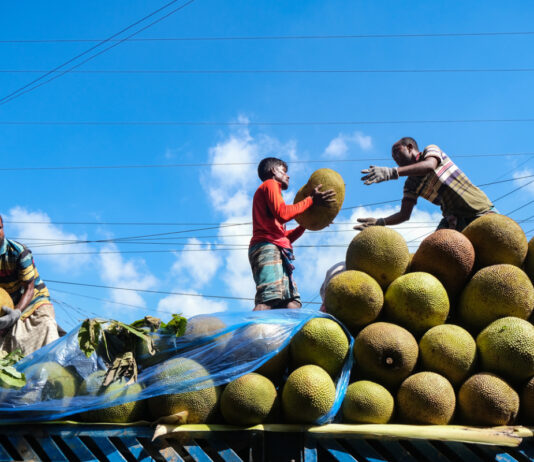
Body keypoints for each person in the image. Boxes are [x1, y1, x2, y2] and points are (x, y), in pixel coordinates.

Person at [354, 137, 495, 232]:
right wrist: (381, 222)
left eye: (397, 152)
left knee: (500, 238)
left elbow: (429, 166)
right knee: (435, 252)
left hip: (477, 208)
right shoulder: (411, 184)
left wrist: (392, 172)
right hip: (454, 221)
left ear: (409, 147)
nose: (395, 158)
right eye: (392, 157)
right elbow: (404, 214)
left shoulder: (431, 150)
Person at [249, 157, 336, 311]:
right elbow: (283, 213)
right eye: (284, 171)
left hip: (276, 248)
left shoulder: (273, 193)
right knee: (269, 299)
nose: (288, 176)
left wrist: (307, 223)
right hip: (266, 247)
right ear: (273, 171)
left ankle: (292, 335)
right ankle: (248, 335)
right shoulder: (270, 184)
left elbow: (285, 238)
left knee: (292, 303)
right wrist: (310, 200)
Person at [0, 215, 59, 356]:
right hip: (8, 304)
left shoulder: (19, 252)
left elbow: (29, 289)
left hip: (33, 300)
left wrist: (16, 313)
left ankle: (49, 369)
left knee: (45, 327)